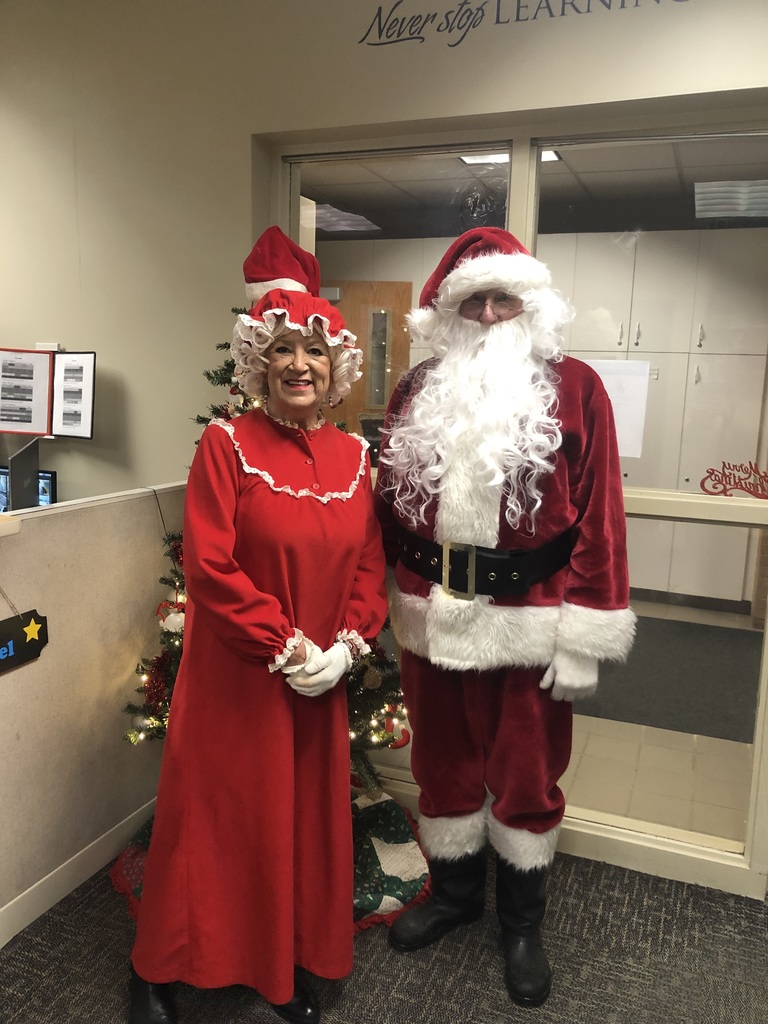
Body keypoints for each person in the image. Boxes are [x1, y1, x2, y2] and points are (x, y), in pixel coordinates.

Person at [128, 226, 388, 1024]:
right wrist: (285, 644)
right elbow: (209, 565)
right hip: (237, 681)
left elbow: (371, 566)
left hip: (318, 685)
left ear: (335, 366)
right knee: (211, 822)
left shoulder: (355, 458)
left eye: (312, 352)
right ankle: (158, 968)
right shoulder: (227, 445)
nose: (298, 366)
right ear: (259, 366)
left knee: (300, 826)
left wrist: (346, 648)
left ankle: (287, 959)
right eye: (281, 351)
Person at [374, 227, 636, 1008]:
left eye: (502, 297)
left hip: (532, 618)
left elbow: (603, 518)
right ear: (449, 314)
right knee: (442, 765)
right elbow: (390, 505)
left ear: (531, 304)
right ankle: (456, 899)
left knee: (525, 774)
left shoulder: (578, 387)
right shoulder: (418, 387)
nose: (488, 313)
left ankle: (521, 924)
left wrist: (588, 631)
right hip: (428, 613)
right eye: (472, 301)